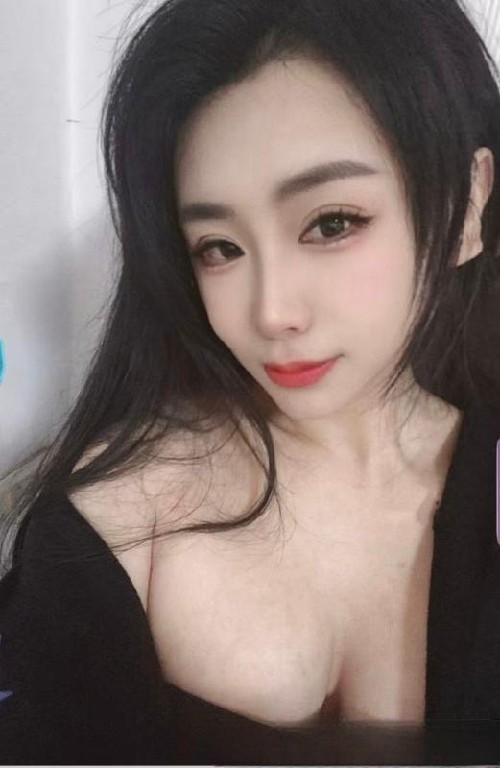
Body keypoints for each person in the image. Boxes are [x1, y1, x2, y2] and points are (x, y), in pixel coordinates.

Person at [1, 0, 500, 763]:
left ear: (468, 206)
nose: (270, 312)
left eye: (331, 223)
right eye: (219, 247)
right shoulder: (122, 523)